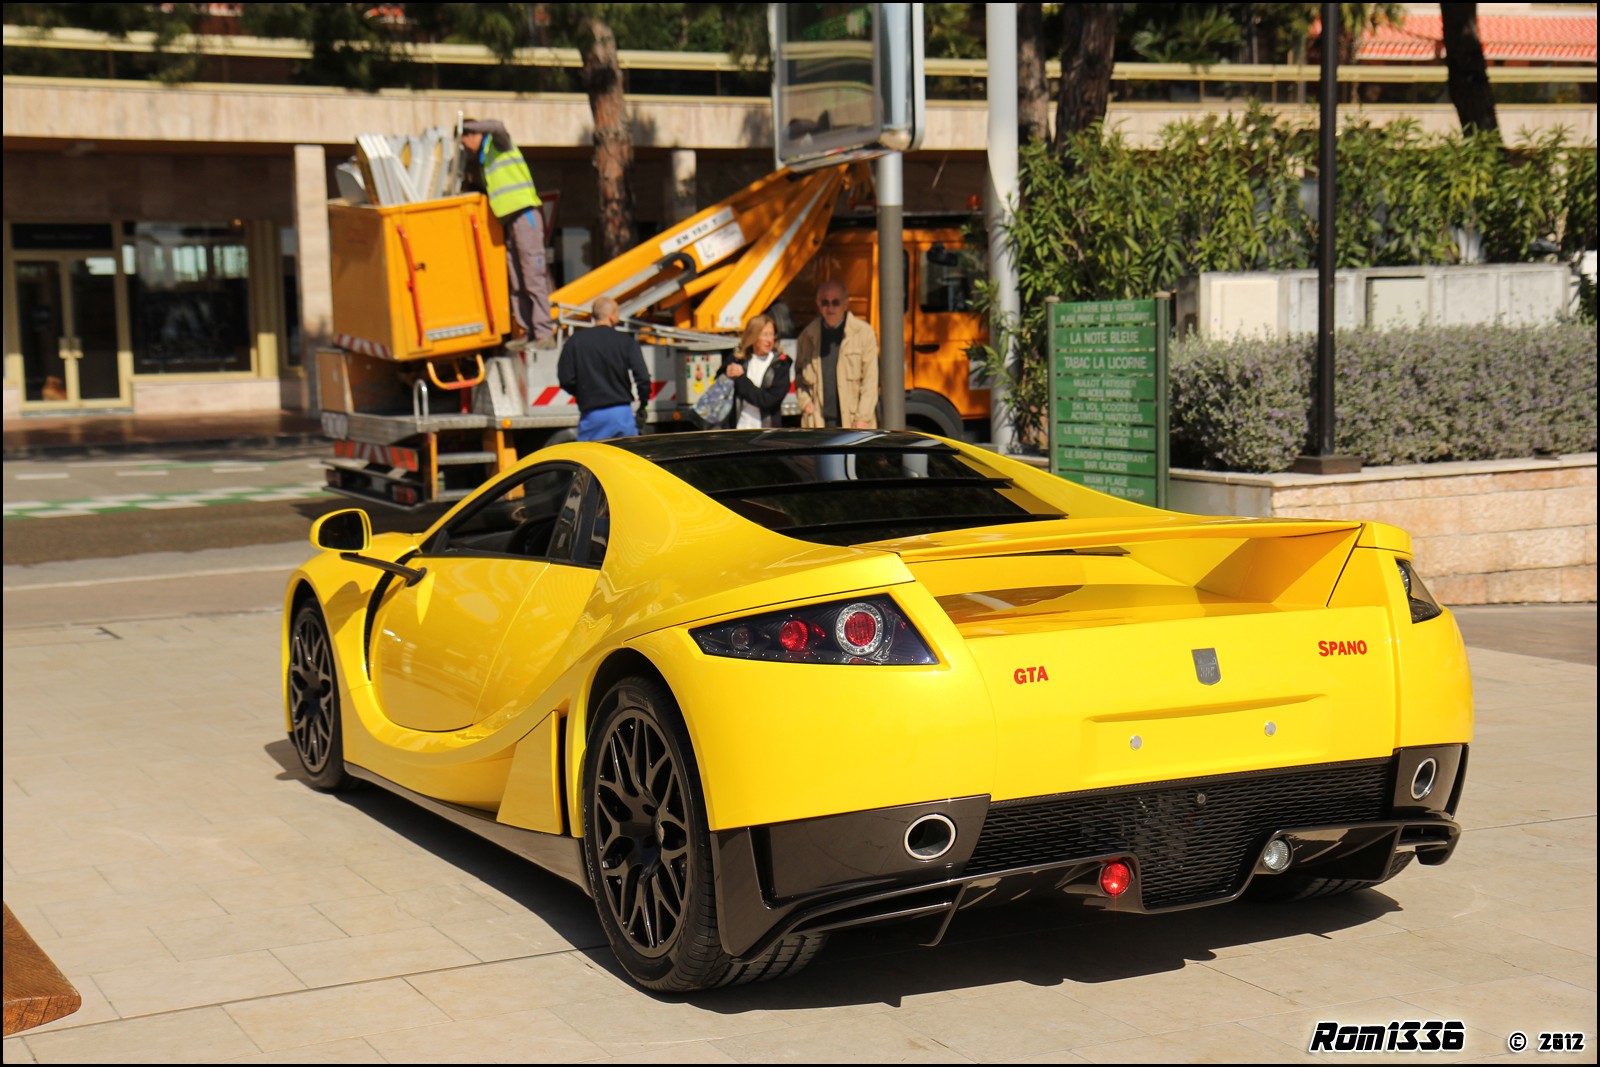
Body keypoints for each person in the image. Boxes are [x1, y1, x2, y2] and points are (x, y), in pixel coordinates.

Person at [459, 118, 554, 349]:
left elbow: (498, 125)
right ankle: (527, 332)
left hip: (525, 216)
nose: (465, 148)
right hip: (510, 222)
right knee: (517, 280)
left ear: (473, 134)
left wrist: (465, 126)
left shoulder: (498, 143)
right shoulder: (484, 159)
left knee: (533, 278)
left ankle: (544, 334)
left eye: (464, 141)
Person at [557, 297, 651, 441]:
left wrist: (583, 393)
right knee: (625, 454)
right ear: (611, 316)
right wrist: (643, 404)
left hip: (592, 415)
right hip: (622, 415)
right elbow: (642, 376)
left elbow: (565, 378)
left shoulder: (575, 341)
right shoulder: (626, 341)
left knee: (590, 455)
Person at [794, 280, 878, 429]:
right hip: (818, 423)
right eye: (825, 303)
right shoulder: (807, 336)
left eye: (835, 302)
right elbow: (799, 375)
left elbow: (870, 381)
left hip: (854, 423)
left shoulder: (864, 334)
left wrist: (863, 418)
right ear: (818, 304)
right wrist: (804, 401)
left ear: (845, 304)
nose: (830, 308)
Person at [718, 314, 791, 429]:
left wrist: (741, 379)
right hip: (738, 429)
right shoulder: (737, 359)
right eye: (764, 334)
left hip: (766, 431)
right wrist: (727, 372)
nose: (769, 340)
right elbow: (719, 384)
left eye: (771, 334)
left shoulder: (780, 364)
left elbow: (769, 401)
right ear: (753, 336)